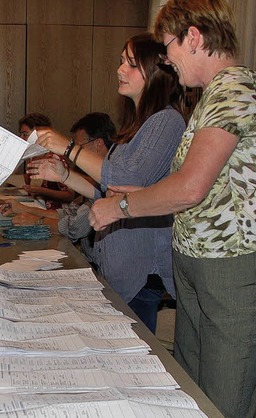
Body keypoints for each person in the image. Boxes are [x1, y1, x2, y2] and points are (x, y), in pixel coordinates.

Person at [89, 1, 256, 416]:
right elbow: (199, 183)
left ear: (194, 38)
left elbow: (190, 188)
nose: (167, 60)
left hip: (228, 269)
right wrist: (140, 192)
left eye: (168, 48)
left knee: (223, 399)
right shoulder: (209, 97)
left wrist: (122, 207)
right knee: (193, 392)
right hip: (197, 268)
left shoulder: (235, 90)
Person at [30, 33, 186, 334]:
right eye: (121, 61)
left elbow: (127, 180)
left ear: (154, 73)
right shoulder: (138, 126)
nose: (119, 69)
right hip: (122, 271)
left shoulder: (167, 122)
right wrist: (64, 176)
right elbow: (109, 191)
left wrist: (69, 149)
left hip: (143, 274)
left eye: (130, 63)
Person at [1, 112, 116, 262]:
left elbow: (75, 227)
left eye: (79, 148)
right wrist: (23, 209)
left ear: (98, 143)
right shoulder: (94, 178)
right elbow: (69, 212)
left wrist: (37, 221)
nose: (74, 156)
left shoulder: (112, 180)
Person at [18, 113, 74, 209]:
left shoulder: (55, 158)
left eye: (25, 134)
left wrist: (41, 191)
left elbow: (70, 195)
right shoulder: (31, 157)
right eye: (21, 134)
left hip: (55, 214)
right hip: (36, 208)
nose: (21, 138)